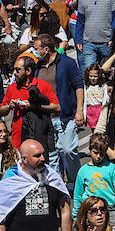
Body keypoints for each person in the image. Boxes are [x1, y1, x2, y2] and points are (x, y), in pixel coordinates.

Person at [30, 34, 84, 184]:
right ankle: (56, 185)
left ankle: (75, 182)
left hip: (65, 116)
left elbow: (79, 86)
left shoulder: (67, 63)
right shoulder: (37, 67)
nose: (33, 52)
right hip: (45, 117)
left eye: (36, 49)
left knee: (67, 150)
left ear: (46, 49)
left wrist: (79, 110)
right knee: (52, 155)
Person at [0, 56, 58, 148]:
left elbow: (56, 107)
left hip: (39, 137)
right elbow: (1, 111)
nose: (14, 73)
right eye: (13, 69)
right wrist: (9, 106)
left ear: (28, 71)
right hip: (18, 140)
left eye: (18, 70)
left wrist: (34, 106)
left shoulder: (42, 85)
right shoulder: (12, 88)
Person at [76, 0, 115, 70]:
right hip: (88, 42)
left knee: (105, 71)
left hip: (106, 41)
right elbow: (80, 21)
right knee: (90, 72)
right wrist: (78, 39)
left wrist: (113, 37)